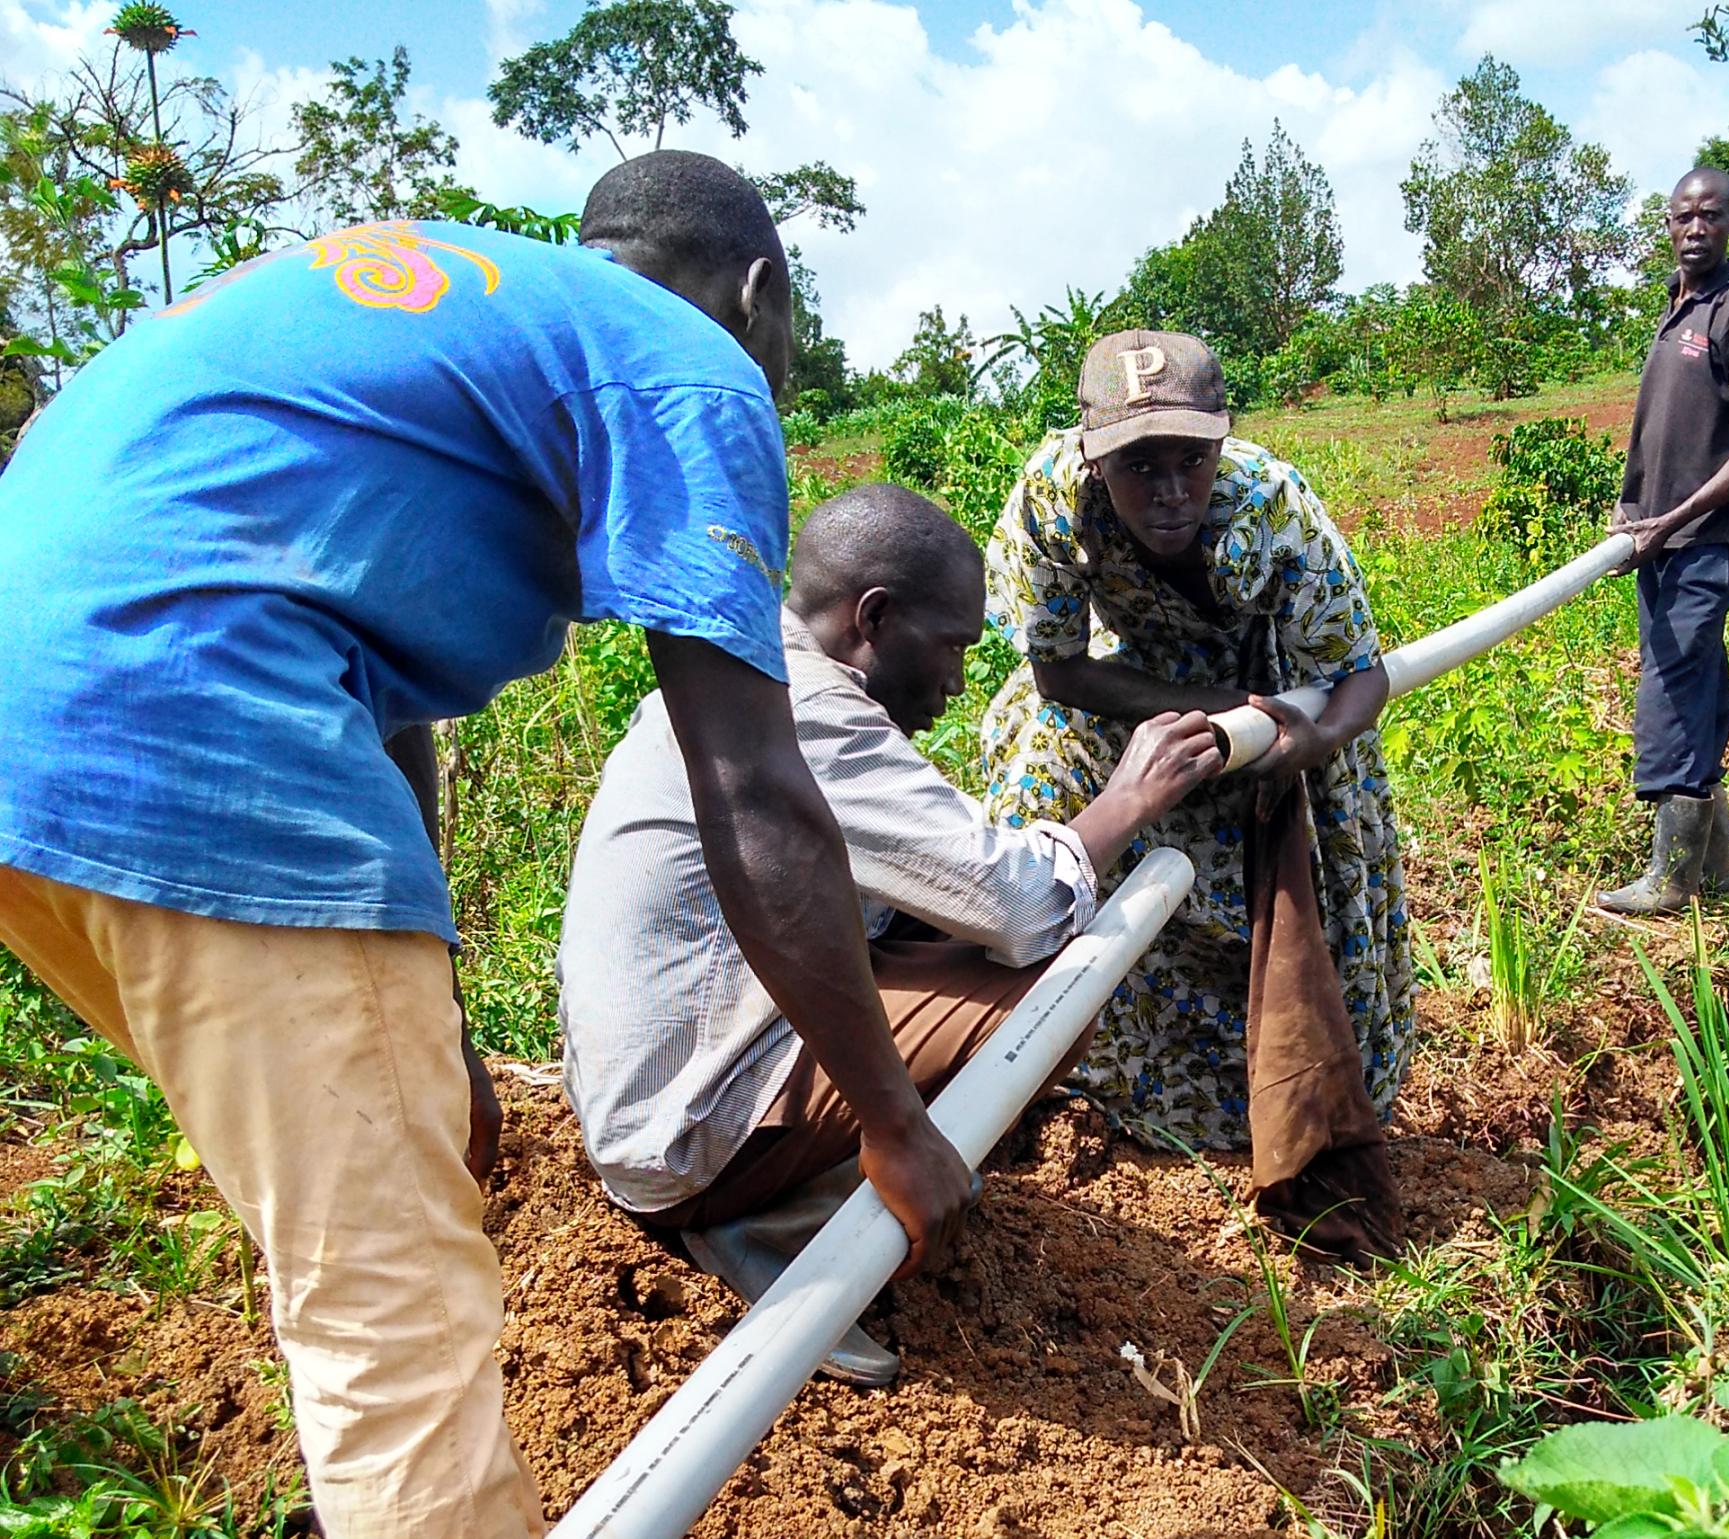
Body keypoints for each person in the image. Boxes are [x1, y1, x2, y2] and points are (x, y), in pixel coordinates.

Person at [0, 153, 978, 1539]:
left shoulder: (449, 302)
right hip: (194, 721)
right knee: (385, 1308)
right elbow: (756, 791)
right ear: (759, 293)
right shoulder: (691, 365)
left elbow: (371, 668)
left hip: (35, 742)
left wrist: (442, 1015)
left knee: (335, 1219)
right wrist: (891, 1120)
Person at [559, 483, 1221, 1384]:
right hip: (691, 1131)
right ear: (872, 618)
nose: (954, 681)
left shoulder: (750, 675)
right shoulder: (810, 712)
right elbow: (1021, 907)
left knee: (958, 935)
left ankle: (802, 1182)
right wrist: (1126, 802)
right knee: (1063, 980)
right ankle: (778, 1222)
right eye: (950, 647)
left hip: (659, 1092)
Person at [981, 330, 1411, 1260]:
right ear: (1095, 456)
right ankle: (1029, 1063)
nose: (1170, 489)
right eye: (1139, 465)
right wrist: (1194, 713)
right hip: (1124, 693)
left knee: (1311, 902)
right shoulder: (1051, 503)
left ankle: (1293, 1100)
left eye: (1190, 459)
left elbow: (1358, 673)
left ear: (1223, 445)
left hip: (1276, 710)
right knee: (1037, 806)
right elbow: (1057, 671)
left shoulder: (1272, 504)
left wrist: (1308, 739)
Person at [1598, 167, 1729, 916]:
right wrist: (1633, 509)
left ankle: (1671, 879)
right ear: (1668, 225)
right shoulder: (1678, 307)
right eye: (1683, 217)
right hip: (1663, 537)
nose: (1696, 229)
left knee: (1673, 682)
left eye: (1711, 216)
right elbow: (1660, 429)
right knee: (1695, 676)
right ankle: (1714, 870)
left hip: (1709, 535)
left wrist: (1673, 519)